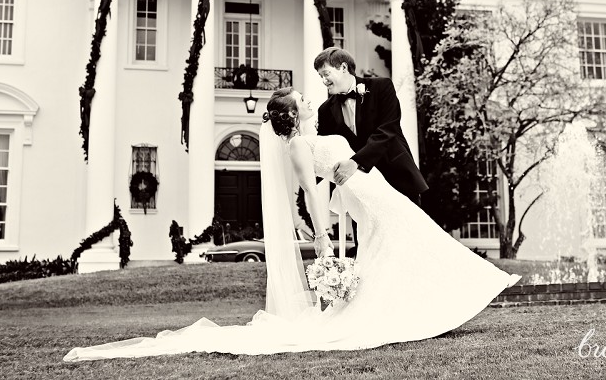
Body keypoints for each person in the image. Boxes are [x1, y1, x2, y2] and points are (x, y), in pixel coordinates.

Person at [63, 88, 517, 361]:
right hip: (367, 196)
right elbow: (309, 190)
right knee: (410, 235)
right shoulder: (298, 145)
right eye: (300, 98)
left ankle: (431, 301)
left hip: (367, 192)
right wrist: (322, 234)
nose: (306, 97)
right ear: (292, 113)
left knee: (407, 239)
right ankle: (452, 293)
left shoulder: (308, 135)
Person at [313, 47, 427, 204]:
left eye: (326, 74)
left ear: (344, 68)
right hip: (360, 191)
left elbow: (388, 130)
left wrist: (355, 162)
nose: (324, 81)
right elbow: (325, 152)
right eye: (321, 76)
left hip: (397, 178)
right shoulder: (325, 110)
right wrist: (307, 178)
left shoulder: (382, 87)